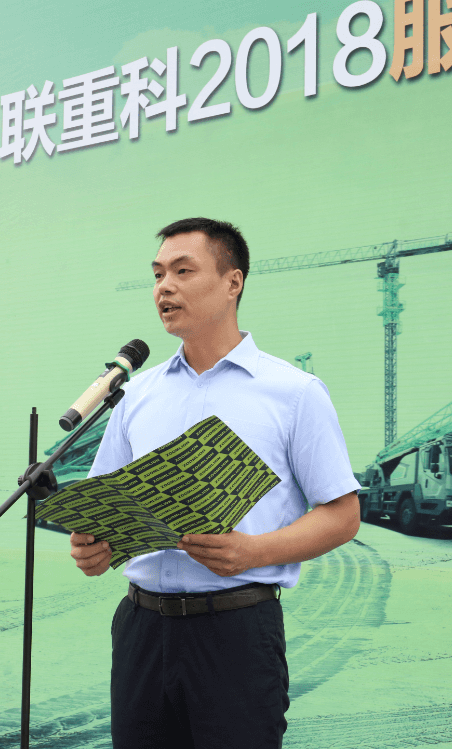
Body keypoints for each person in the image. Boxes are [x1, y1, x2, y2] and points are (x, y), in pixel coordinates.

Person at [70, 217, 361, 748]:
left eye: (183, 271)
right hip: (141, 629)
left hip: (237, 631)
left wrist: (252, 552)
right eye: (158, 274)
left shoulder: (293, 392)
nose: (165, 287)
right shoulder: (136, 395)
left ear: (233, 282)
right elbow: (103, 503)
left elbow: (343, 515)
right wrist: (93, 546)